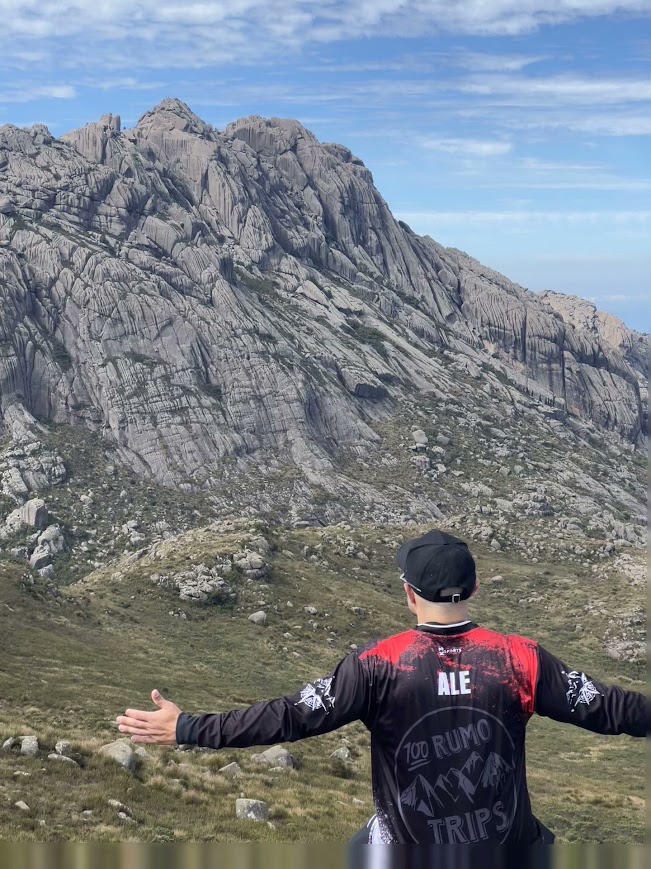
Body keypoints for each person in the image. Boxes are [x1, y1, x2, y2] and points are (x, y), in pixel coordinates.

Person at [116, 529, 648, 846]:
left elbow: (287, 716)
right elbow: (612, 708)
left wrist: (188, 727)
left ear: (408, 594)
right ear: (476, 588)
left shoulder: (377, 664)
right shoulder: (520, 658)